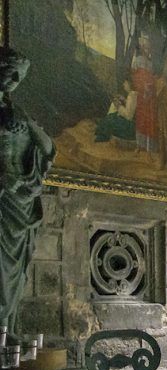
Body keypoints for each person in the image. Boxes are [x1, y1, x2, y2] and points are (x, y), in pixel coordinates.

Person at [0, 47, 55, 332]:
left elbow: (47, 148)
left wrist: (31, 125)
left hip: (19, 198)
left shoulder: (18, 113)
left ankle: (7, 330)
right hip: (3, 194)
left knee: (15, 269)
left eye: (18, 77)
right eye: (10, 73)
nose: (14, 81)